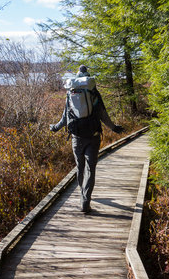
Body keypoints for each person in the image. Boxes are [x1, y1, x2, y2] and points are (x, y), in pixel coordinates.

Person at [50, 65, 123, 213]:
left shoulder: (71, 93)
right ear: (88, 77)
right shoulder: (93, 92)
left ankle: (82, 193)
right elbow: (103, 115)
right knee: (91, 169)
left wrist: (55, 127)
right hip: (93, 137)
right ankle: (85, 200)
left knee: (80, 167)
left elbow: (65, 117)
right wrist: (114, 127)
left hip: (76, 138)